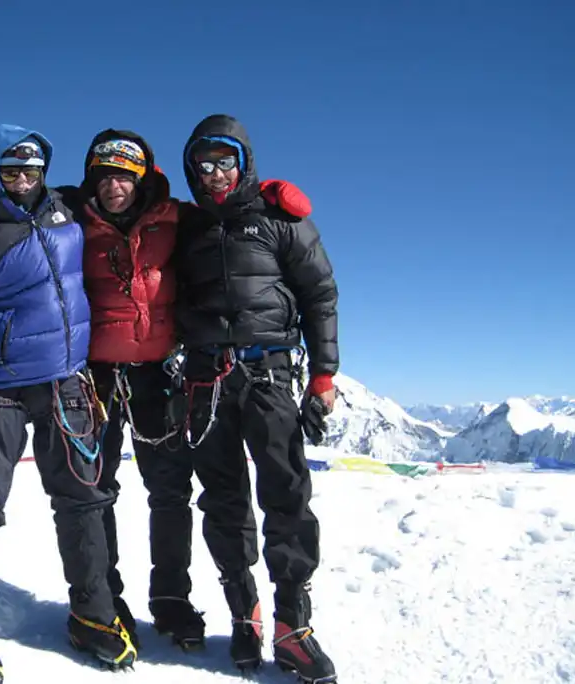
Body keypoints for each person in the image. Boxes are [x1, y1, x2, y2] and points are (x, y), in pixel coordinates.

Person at [74, 129, 315, 655]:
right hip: (95, 377)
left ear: (145, 178)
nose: (113, 185)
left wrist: (267, 192)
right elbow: (27, 213)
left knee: (171, 491)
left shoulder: (175, 218)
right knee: (95, 492)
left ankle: (171, 599)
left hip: (159, 374)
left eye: (124, 174)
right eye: (102, 175)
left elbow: (230, 212)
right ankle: (104, 602)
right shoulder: (72, 218)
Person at [0, 124, 137, 684]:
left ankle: (92, 616)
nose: (24, 180)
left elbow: (127, 189)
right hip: (1, 391)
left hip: (66, 383)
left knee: (82, 498)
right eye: (12, 170)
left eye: (33, 170)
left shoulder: (66, 210)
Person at [172, 113, 339, 683]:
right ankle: (245, 616)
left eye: (225, 162)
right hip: (204, 380)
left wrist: (323, 376)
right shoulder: (185, 228)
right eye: (203, 164)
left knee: (286, 495)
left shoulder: (281, 218)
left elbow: (319, 296)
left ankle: (294, 626)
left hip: (268, 375)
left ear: (243, 164)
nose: (214, 174)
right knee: (222, 499)